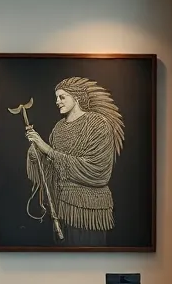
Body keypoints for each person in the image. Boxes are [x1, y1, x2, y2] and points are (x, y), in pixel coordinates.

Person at [24, 77, 124, 247]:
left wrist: (47, 149)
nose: (57, 102)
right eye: (56, 98)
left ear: (76, 97)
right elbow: (52, 165)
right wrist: (37, 154)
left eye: (62, 97)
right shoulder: (59, 127)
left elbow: (97, 170)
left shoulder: (98, 123)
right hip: (60, 208)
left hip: (89, 211)